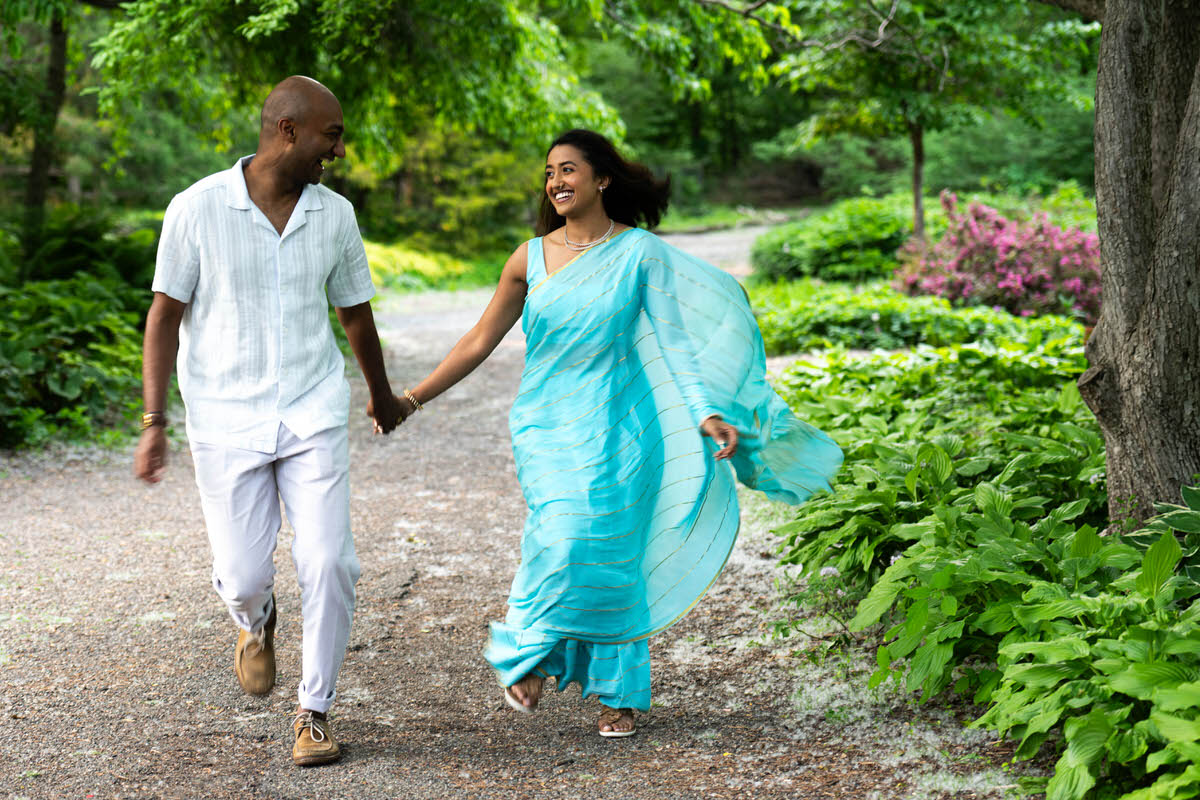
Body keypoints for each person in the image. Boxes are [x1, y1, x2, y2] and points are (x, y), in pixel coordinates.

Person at [394, 129, 842, 738]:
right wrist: (413, 398)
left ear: (602, 179)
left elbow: (675, 343)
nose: (556, 181)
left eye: (569, 169)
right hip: (547, 425)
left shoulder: (640, 254)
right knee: (563, 531)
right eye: (550, 171)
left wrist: (705, 411)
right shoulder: (528, 257)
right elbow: (478, 340)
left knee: (612, 549)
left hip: (617, 429)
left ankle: (618, 692)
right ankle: (528, 650)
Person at [133, 75, 404, 766]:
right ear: (288, 130)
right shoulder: (196, 208)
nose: (338, 151)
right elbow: (164, 315)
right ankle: (257, 622)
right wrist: (154, 419)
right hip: (223, 417)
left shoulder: (335, 216)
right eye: (331, 135)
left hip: (311, 409)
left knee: (330, 562)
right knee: (243, 576)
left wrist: (379, 392)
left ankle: (313, 712)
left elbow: (354, 312)